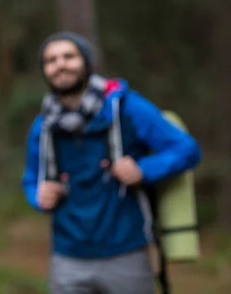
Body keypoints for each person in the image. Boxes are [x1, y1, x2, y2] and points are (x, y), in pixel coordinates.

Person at [21, 31, 201, 294]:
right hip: (67, 258)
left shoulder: (125, 107)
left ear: (87, 63)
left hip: (126, 254)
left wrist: (143, 170)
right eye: (51, 60)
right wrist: (38, 196)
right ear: (45, 71)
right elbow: (30, 180)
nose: (60, 64)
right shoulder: (43, 127)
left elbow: (187, 149)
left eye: (69, 56)